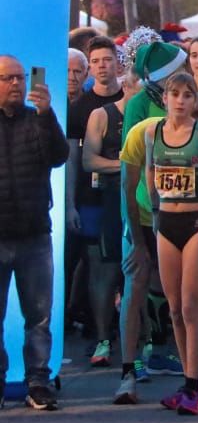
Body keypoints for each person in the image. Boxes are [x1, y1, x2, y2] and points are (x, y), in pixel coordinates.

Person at [119, 72, 198, 414]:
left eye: (188, 95)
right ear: (165, 99)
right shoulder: (150, 132)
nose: (181, 101)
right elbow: (149, 172)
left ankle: (192, 383)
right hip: (165, 225)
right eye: (175, 94)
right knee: (173, 308)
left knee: (191, 305)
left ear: (195, 101)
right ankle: (192, 378)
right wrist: (156, 206)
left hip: (197, 222)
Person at [114, 39, 189, 402]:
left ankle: (188, 370)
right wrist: (137, 238)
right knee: (136, 282)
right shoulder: (138, 110)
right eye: (177, 73)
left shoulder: (193, 103)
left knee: (182, 294)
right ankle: (128, 370)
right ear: (161, 81)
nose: (185, 79)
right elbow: (129, 183)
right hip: (145, 214)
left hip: (182, 214)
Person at [0, 56, 69, 410]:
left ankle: (38, 382)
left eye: (20, 77)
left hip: (35, 236)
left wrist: (47, 115)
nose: (16, 84)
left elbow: (58, 156)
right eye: (8, 78)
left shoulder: (37, 119)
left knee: (38, 317)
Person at [69, 37, 123, 367]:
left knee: (129, 267)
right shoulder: (80, 108)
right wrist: (71, 204)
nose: (103, 65)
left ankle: (138, 337)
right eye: (97, 61)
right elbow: (76, 160)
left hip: (129, 196)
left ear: (118, 62)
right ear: (91, 67)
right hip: (91, 198)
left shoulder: (130, 99)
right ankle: (101, 335)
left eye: (108, 59)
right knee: (96, 267)